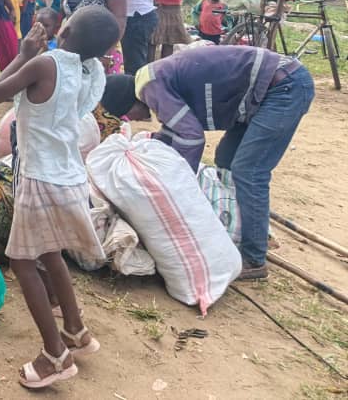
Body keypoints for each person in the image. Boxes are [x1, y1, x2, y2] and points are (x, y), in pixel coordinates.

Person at [99, 46, 315, 280]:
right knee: (225, 159)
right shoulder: (151, 77)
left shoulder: (150, 86)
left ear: (128, 101)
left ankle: (254, 258)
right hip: (265, 90)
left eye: (127, 114)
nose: (133, 119)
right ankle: (242, 229)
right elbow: (177, 130)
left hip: (283, 87)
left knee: (249, 171)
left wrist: (181, 187)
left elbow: (191, 138)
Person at [0, 6, 117, 389]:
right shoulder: (90, 71)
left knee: (21, 262)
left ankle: (54, 355)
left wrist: (24, 53)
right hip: (68, 175)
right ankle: (75, 329)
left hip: (40, 178)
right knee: (49, 253)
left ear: (68, 29)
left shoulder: (44, 64)